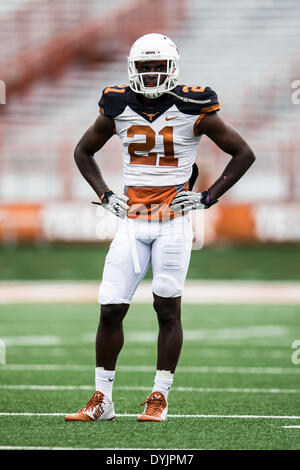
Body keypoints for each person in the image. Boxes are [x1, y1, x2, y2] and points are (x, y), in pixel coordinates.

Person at [65, 33, 255, 423]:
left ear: (173, 68)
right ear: (133, 69)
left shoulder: (194, 104)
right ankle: (103, 399)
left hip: (173, 222)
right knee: (110, 308)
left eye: (158, 66)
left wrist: (207, 197)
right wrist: (104, 194)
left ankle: (159, 396)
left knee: (166, 308)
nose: (152, 74)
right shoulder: (117, 103)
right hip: (132, 221)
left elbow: (243, 153)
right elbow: (83, 150)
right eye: (145, 67)